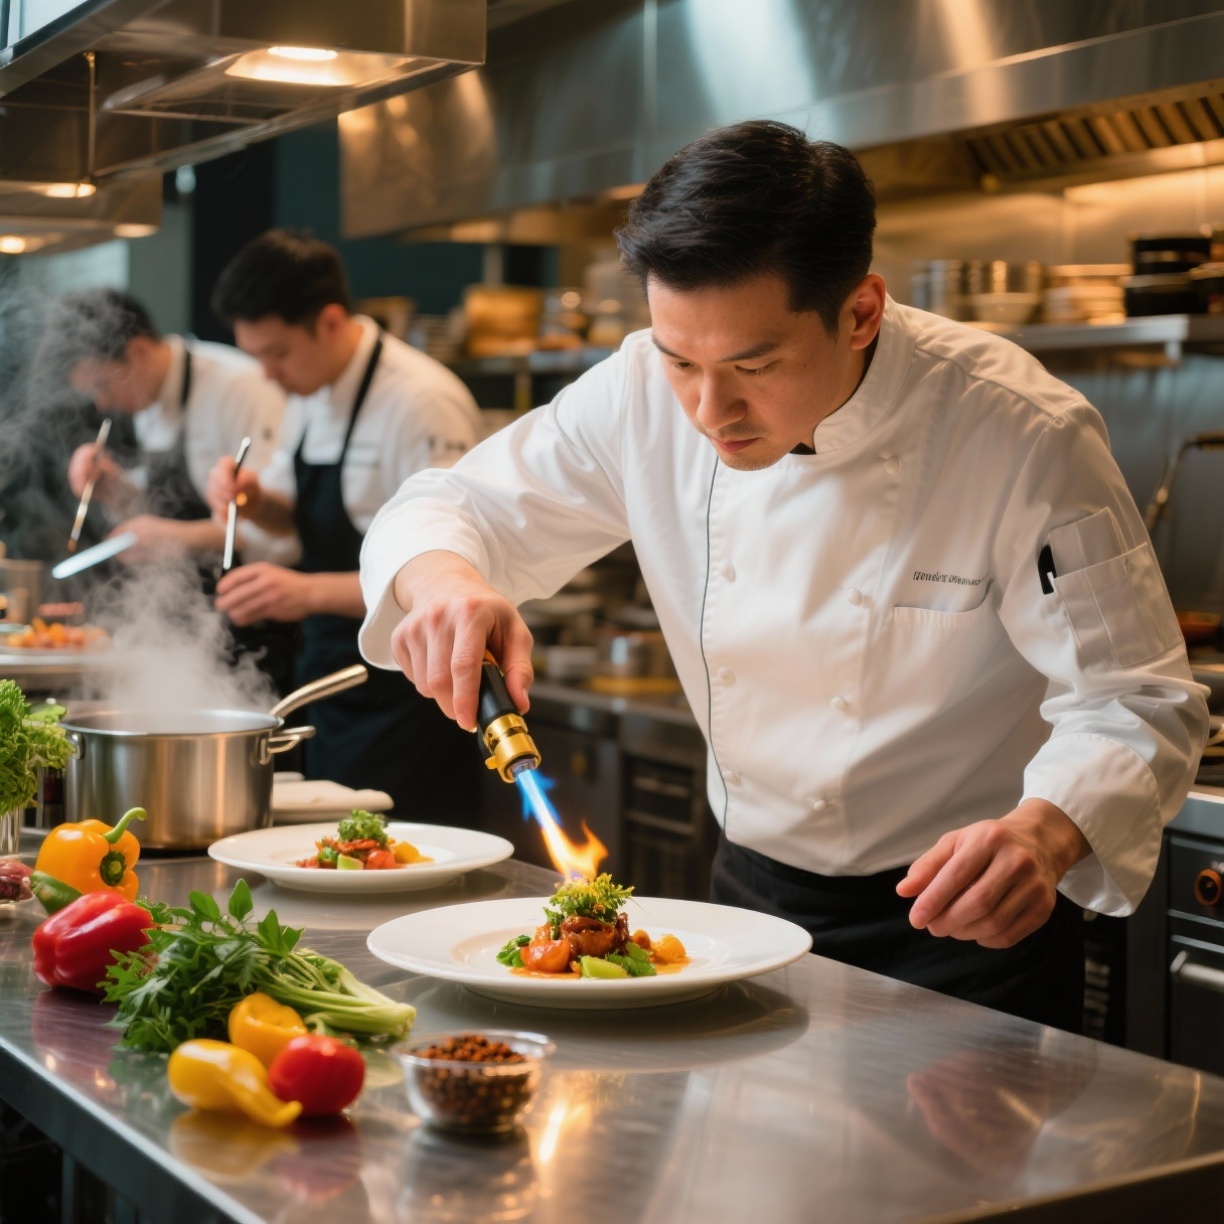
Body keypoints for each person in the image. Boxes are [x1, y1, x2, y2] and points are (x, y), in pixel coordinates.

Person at [356, 120, 1210, 1031]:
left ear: (861, 312)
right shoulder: (643, 391)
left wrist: (1047, 832)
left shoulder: (1019, 429)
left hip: (967, 924)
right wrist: (446, 582)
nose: (708, 409)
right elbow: (450, 503)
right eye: (680, 359)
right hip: (752, 904)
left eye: (753, 366)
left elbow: (1135, 698)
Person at [206, 229, 485, 819]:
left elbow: (457, 570)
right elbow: (291, 519)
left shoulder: (421, 401)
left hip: (412, 697)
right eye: (256, 356)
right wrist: (254, 499)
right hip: (336, 682)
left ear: (330, 322)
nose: (268, 375)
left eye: (276, 354)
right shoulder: (313, 391)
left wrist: (303, 591)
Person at [38, 288, 289, 568]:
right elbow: (166, 506)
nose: (102, 404)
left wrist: (178, 537)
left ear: (139, 351)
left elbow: (278, 530)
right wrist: (114, 489)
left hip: (253, 589)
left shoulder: (240, 388)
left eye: (102, 385)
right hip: (188, 591)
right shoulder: (148, 393)